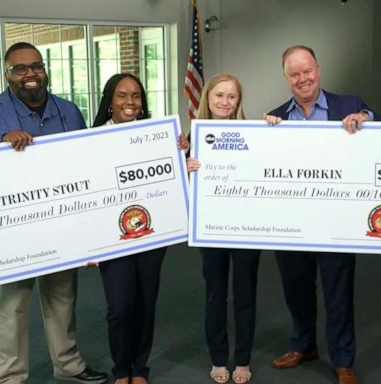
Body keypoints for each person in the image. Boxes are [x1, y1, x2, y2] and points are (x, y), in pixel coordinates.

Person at [265, 45, 378, 384]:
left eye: (307, 70)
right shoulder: (275, 117)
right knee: (296, 289)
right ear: (286, 79)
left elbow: (373, 118)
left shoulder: (349, 105)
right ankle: (303, 346)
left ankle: (343, 360)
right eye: (294, 74)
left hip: (336, 223)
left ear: (318, 69)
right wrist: (264, 135)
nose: (303, 78)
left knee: (338, 292)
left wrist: (365, 120)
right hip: (292, 223)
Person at [0, 42, 108, 384]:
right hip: (13, 228)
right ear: (7, 74)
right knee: (11, 305)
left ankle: (68, 366)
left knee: (63, 298)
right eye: (20, 68)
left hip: (61, 223)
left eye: (36, 66)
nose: (30, 74)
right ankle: (9, 375)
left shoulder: (69, 110)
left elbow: (87, 161)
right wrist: (2, 141)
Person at [92, 73, 168, 384]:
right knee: (120, 307)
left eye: (136, 96)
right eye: (122, 95)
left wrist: (178, 150)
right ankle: (121, 369)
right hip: (111, 238)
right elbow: (86, 194)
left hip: (150, 233)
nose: (130, 102)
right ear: (110, 101)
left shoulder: (156, 135)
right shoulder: (91, 140)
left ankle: (140, 369)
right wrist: (87, 242)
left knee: (145, 304)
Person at [186, 73, 260, 384]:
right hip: (212, 227)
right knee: (215, 293)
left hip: (246, 227)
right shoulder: (191, 138)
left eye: (231, 97)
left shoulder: (256, 135)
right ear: (207, 99)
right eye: (219, 95)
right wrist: (186, 168)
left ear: (239, 101)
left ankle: (242, 360)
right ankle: (218, 357)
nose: (225, 102)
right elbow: (180, 190)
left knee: (245, 294)